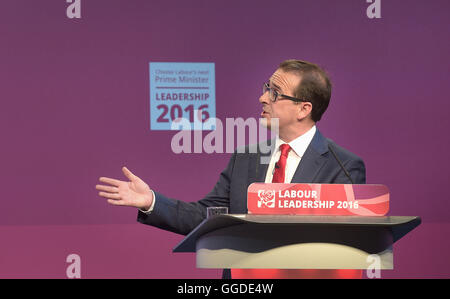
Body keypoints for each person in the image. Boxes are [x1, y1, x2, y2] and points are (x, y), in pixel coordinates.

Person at [96, 59, 366, 279]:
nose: (262, 98)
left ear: (303, 108)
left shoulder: (341, 166)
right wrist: (152, 201)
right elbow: (208, 216)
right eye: (265, 88)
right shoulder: (245, 158)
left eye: (274, 92)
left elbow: (339, 248)